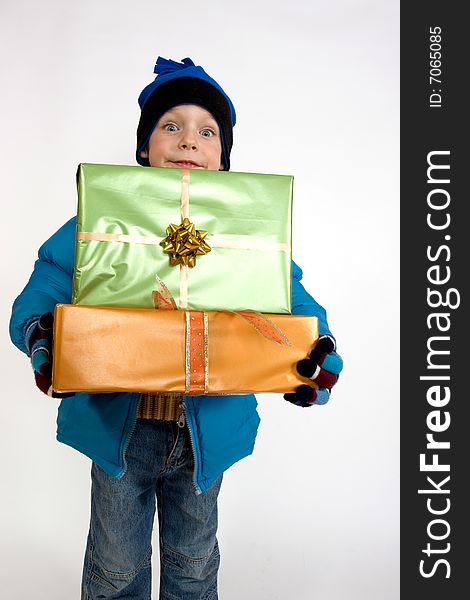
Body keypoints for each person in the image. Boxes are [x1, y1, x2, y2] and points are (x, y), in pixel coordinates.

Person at [9, 56, 343, 600]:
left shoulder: (248, 237)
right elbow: (49, 280)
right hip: (121, 428)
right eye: (171, 126)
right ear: (145, 148)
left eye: (207, 131)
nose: (189, 140)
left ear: (222, 158)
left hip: (206, 433)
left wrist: (317, 351)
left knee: (193, 561)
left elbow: (290, 294)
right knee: (116, 563)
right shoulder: (101, 219)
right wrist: (44, 336)